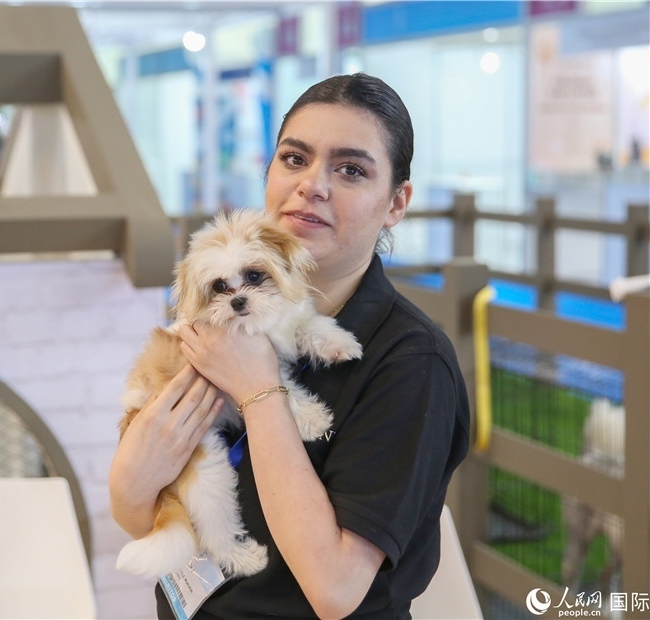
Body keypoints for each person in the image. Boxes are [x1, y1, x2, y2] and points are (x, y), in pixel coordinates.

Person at [109, 72, 470, 619]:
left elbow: (335, 590)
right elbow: (137, 515)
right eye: (295, 159)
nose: (312, 185)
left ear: (396, 203)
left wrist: (258, 390)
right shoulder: (219, 316)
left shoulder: (412, 364)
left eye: (350, 170)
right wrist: (131, 478)